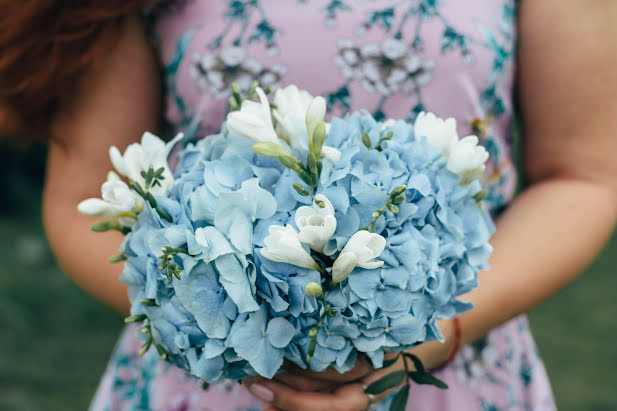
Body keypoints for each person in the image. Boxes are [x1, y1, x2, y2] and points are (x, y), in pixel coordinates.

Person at [2, 1, 616, 410]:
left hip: (454, 365)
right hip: (212, 375)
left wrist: (424, 340)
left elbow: (582, 176)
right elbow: (86, 199)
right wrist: (244, 344)